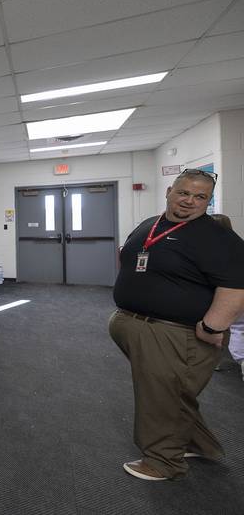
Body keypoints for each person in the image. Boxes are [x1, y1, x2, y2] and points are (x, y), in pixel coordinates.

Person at [109, 169, 244, 481]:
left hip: (175, 332)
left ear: (208, 202)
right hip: (138, 325)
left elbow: (236, 288)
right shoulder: (151, 224)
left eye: (201, 197)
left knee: (161, 399)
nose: (190, 201)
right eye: (184, 192)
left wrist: (212, 328)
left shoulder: (216, 237)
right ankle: (197, 444)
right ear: (170, 190)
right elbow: (130, 256)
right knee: (172, 393)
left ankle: (163, 462)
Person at [212, 214, 244, 381]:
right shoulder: (238, 243)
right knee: (236, 328)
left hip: (227, 294)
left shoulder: (212, 246)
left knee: (229, 328)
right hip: (236, 293)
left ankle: (217, 360)